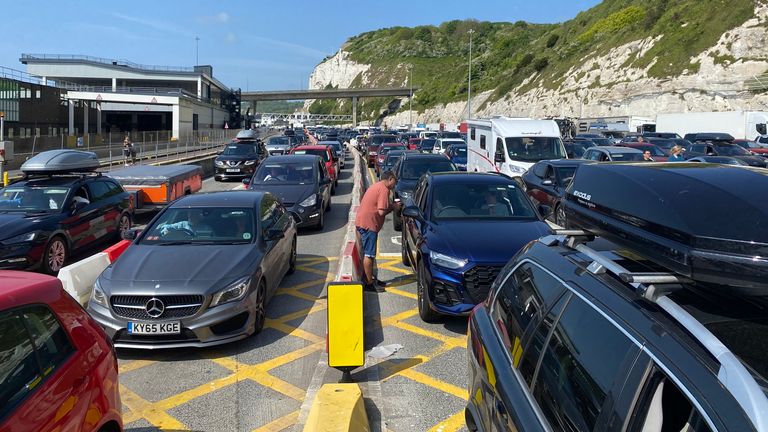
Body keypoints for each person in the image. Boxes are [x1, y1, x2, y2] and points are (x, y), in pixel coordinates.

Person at [355, 170, 402, 292]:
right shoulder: (384, 190)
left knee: (369, 253)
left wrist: (390, 205)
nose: (394, 186)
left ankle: (370, 278)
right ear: (390, 179)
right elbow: (381, 211)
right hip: (369, 224)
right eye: (394, 182)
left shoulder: (376, 185)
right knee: (369, 254)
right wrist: (394, 207)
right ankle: (369, 284)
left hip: (363, 222)